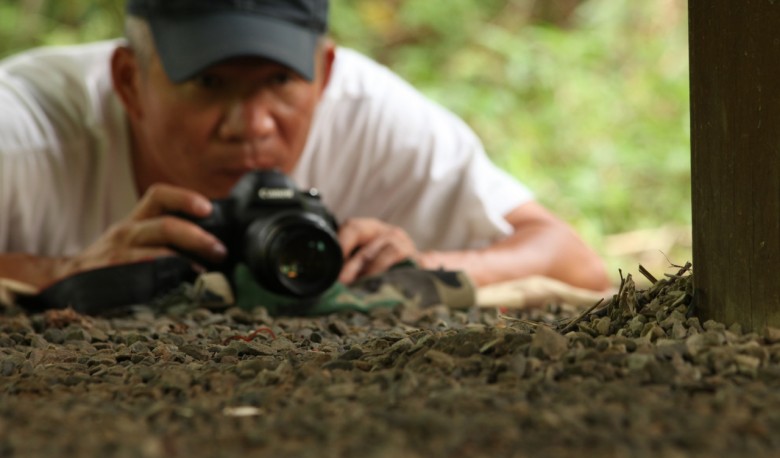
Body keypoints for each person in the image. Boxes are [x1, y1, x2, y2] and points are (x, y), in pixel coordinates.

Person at [0, 0, 611, 297]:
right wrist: (63, 272)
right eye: (210, 83)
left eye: (280, 81)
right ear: (130, 82)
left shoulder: (369, 114)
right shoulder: (24, 136)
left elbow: (573, 262)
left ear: (322, 73)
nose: (251, 126)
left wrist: (419, 269)